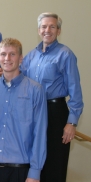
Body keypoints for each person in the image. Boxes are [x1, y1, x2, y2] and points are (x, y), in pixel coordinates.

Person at [20, 13, 84, 182]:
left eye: (52, 26)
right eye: (44, 26)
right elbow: (18, 77)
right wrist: (0, 71)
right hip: (33, 112)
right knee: (33, 162)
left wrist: (71, 122)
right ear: (38, 30)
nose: (47, 30)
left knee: (55, 165)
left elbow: (76, 92)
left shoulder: (66, 54)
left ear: (59, 30)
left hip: (55, 113)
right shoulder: (31, 56)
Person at [0, 38, 47, 182]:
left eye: (12, 54)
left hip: (20, 170)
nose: (7, 58)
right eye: (3, 54)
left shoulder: (35, 90)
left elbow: (39, 133)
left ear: (21, 58)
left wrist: (35, 171)